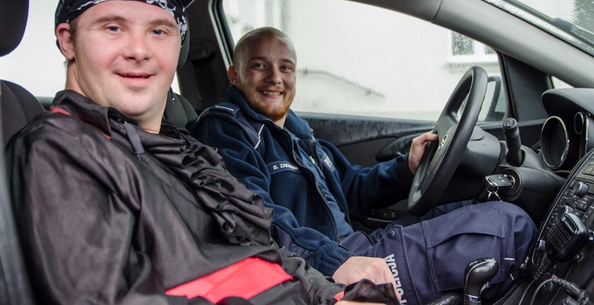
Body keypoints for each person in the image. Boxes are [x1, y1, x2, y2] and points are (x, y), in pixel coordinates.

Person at [6, 0, 399, 305]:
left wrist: (332, 295)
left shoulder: (180, 147)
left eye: (159, 31)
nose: (139, 50)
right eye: (113, 28)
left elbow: (265, 249)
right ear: (68, 41)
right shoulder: (59, 152)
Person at [188, 27, 538, 305]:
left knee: (479, 205)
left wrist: (406, 168)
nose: (275, 77)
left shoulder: (300, 134)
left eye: (286, 67)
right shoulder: (226, 129)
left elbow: (353, 188)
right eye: (259, 65)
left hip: (354, 245)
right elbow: (255, 217)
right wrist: (334, 260)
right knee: (509, 226)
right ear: (234, 75)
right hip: (323, 269)